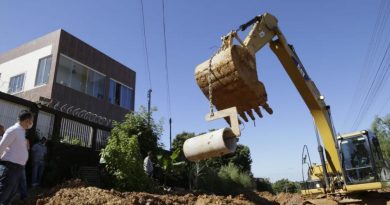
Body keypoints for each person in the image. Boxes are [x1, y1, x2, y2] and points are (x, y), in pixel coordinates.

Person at [0, 110, 33, 205]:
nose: (31, 123)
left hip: (17, 168)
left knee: (11, 195)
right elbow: (1, 146)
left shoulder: (21, 132)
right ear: (27, 120)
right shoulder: (13, 130)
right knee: (4, 194)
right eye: (31, 120)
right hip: (10, 167)